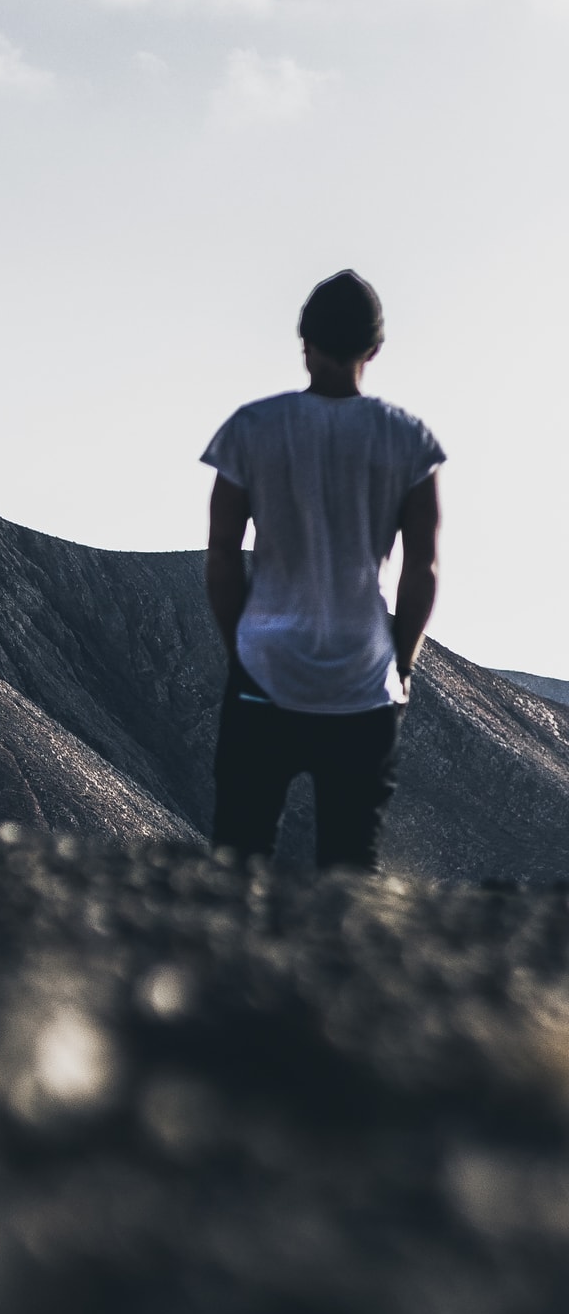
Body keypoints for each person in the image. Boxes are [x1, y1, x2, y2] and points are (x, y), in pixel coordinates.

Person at [201, 270, 443, 871]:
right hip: (361, 681)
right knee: (349, 869)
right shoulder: (408, 441)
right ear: (374, 349)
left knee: (239, 858)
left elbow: (223, 555)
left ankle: (225, 964)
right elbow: (422, 567)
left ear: (303, 342)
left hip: (265, 667)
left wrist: (238, 648)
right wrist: (404, 663)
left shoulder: (251, 430)